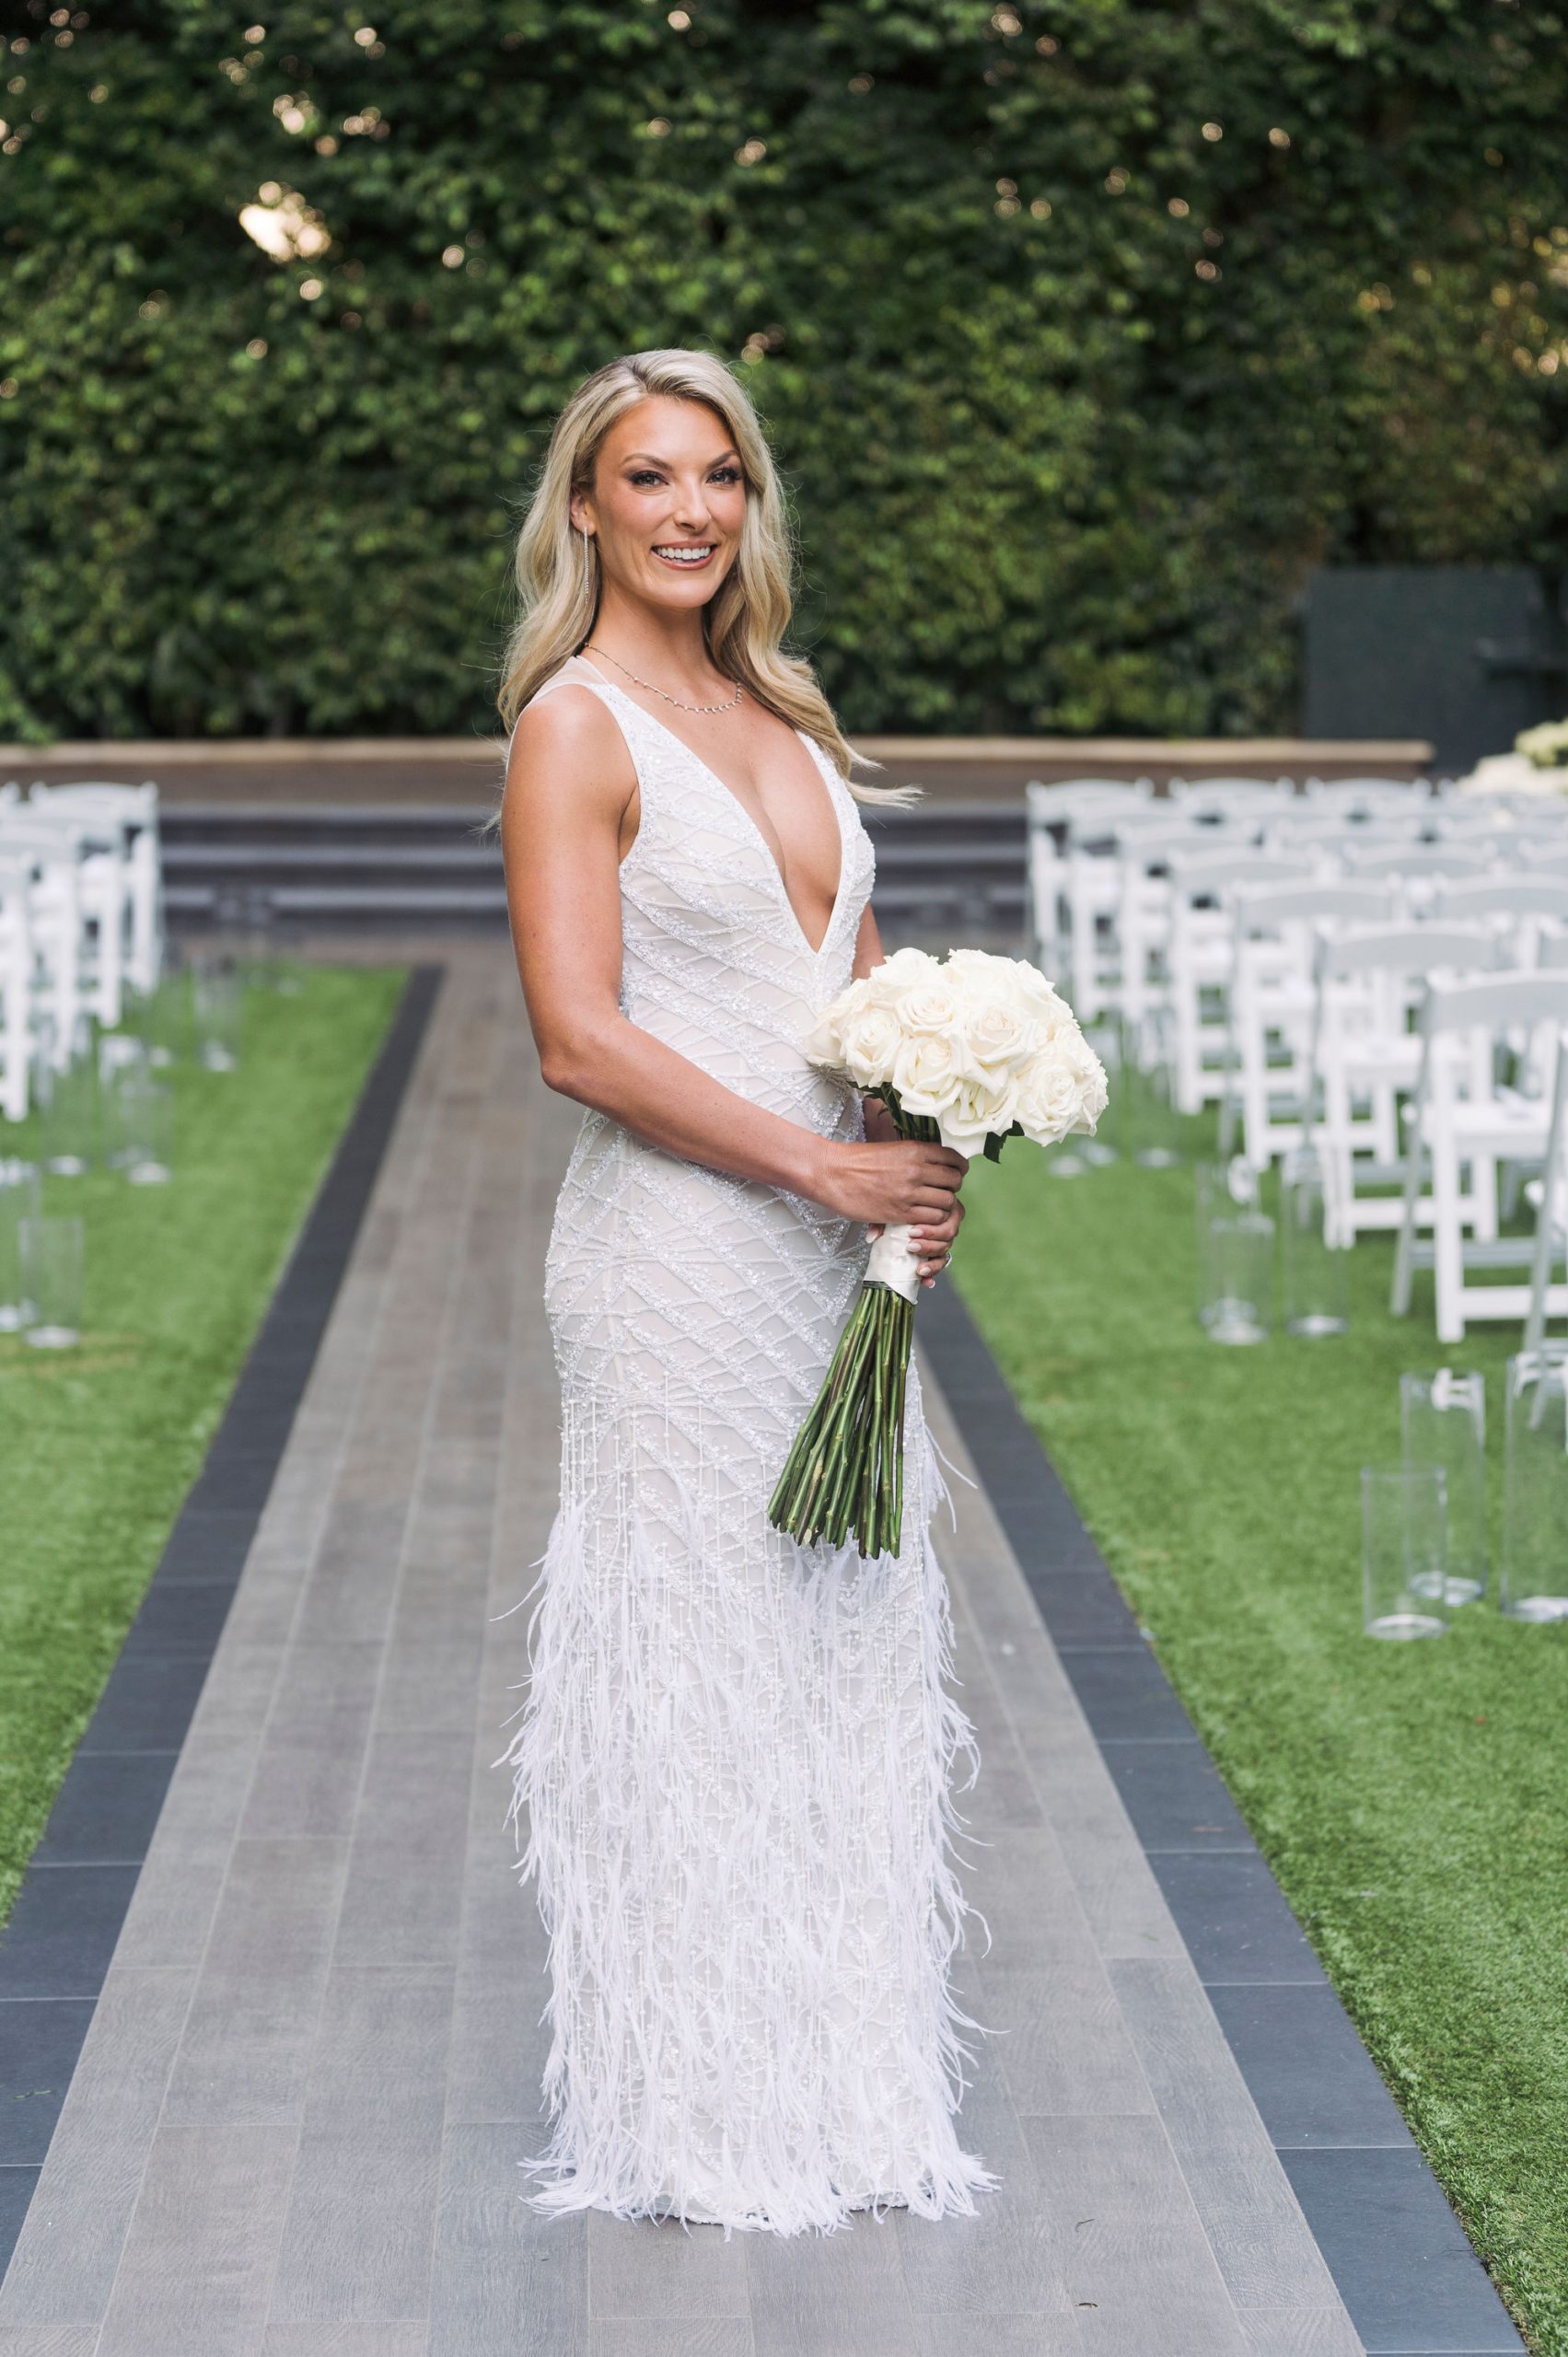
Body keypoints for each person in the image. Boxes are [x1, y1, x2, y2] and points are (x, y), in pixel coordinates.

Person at [492, 346, 996, 2235]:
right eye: (649, 476)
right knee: (694, 1660)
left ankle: (846, 2090)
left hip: (830, 1258)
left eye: (719, 474)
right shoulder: (575, 727)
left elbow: (857, 988)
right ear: (586, 506)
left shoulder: (786, 713)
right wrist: (820, 1164)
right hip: (678, 1259)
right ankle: (695, 2107)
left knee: (839, 1638)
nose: (690, 508)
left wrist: (918, 1130)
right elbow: (576, 1038)